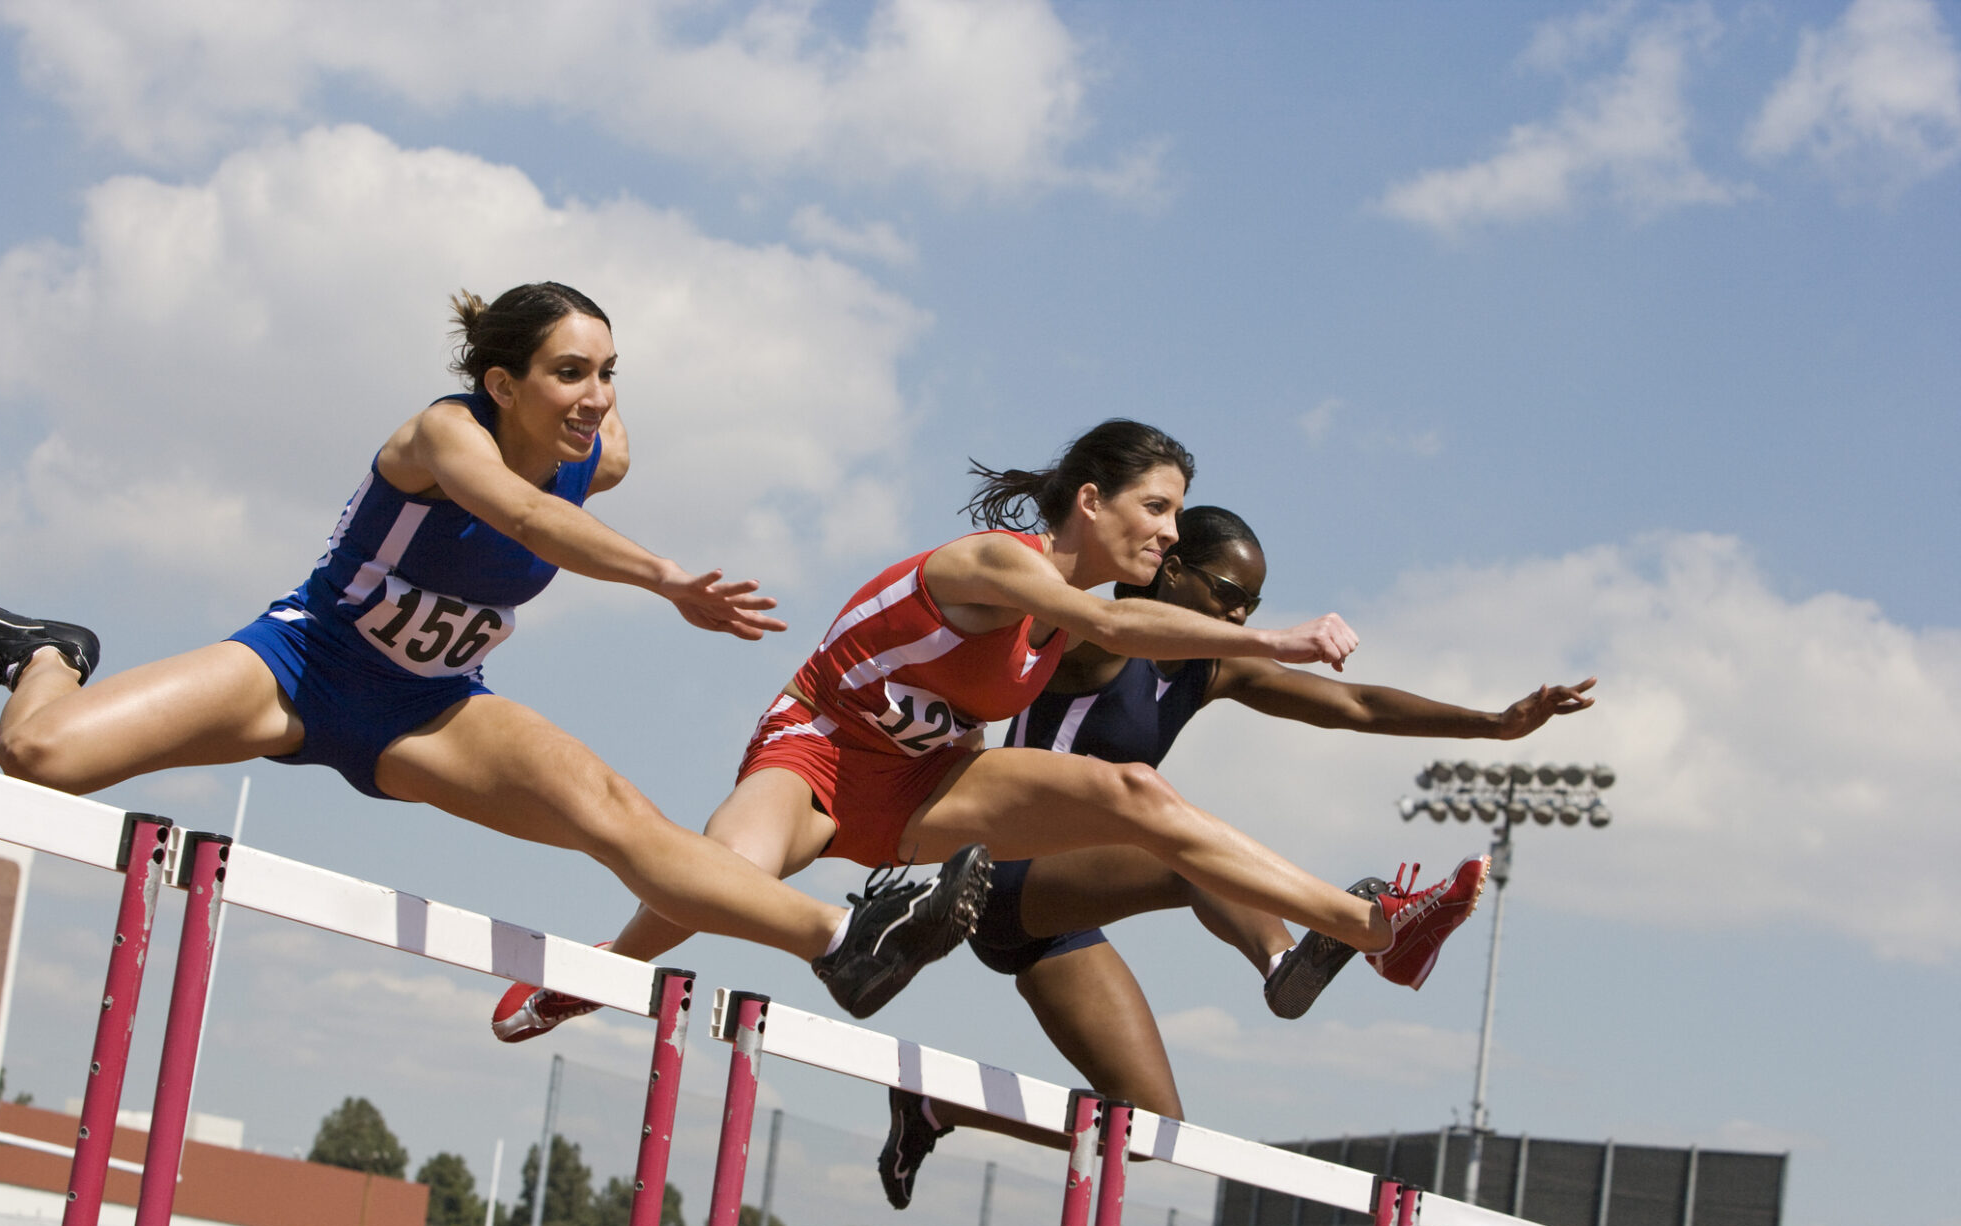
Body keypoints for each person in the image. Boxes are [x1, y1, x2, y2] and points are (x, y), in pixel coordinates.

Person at [0, 283, 988, 1017]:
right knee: (43, 759)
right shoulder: (439, 436)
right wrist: (666, 581)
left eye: (609, 372)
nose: (597, 398)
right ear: (500, 381)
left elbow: (563, 486)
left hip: (429, 707)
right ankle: (43, 650)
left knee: (620, 823)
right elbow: (523, 521)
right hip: (301, 666)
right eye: (569, 373)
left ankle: (846, 939)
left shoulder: (598, 452)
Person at [497, 420, 1485, 1039]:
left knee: (1135, 797)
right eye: (1158, 507)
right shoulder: (997, 563)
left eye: (1178, 517)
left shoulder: (1078, 604)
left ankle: (1373, 931)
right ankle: (594, 975)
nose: (1170, 534)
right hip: (821, 749)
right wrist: (1279, 637)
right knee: (724, 870)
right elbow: (1111, 624)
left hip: (929, 785)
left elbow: (1123, 627)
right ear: (1090, 500)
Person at [873, 505, 1596, 1205]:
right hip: (1001, 871)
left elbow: (1356, 705)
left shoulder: (1210, 668)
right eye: (1227, 595)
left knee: (1152, 1128)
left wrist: (1494, 725)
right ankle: (1288, 962)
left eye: (1252, 604)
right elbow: (1057, 619)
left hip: (1053, 920)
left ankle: (937, 1107)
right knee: (1174, 835)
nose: (1240, 618)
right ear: (1172, 569)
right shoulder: (1097, 639)